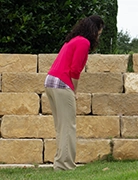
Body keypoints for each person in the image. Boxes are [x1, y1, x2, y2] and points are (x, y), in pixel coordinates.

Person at [44, 15, 104, 170]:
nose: (99, 35)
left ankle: (60, 163)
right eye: (100, 31)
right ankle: (65, 165)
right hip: (62, 83)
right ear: (95, 29)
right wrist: (74, 90)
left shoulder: (73, 39)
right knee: (69, 126)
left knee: (61, 126)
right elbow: (75, 69)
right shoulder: (84, 42)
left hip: (50, 81)